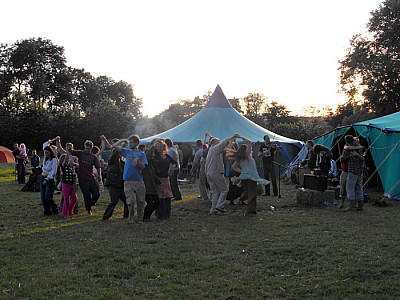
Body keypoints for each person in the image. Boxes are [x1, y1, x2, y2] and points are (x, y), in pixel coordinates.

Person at [227, 135, 269, 215]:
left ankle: (242, 200)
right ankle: (251, 210)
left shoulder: (240, 158)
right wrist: (241, 137)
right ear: (246, 150)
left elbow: (233, 167)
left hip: (245, 176)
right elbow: (249, 142)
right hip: (251, 176)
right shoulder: (247, 154)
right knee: (252, 193)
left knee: (248, 191)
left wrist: (241, 171)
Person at [112, 135, 147, 223]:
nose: (129, 144)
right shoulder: (127, 152)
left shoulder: (142, 154)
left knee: (141, 201)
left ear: (136, 143)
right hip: (128, 180)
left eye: (131, 142)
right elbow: (114, 146)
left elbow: (144, 167)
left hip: (139, 180)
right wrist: (123, 140)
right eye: (129, 142)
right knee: (131, 200)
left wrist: (138, 161)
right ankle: (131, 218)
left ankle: (139, 219)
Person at [205, 133, 240, 214]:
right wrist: (232, 137)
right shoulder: (215, 148)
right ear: (214, 143)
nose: (219, 143)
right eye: (218, 142)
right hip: (216, 172)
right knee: (224, 190)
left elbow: (226, 148)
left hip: (209, 173)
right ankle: (219, 206)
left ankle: (213, 209)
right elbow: (223, 143)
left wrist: (231, 141)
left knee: (215, 192)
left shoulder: (210, 150)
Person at [100, 137, 129, 220]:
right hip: (113, 184)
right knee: (114, 201)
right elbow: (116, 150)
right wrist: (122, 141)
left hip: (119, 183)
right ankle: (105, 217)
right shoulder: (112, 160)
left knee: (126, 200)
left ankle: (126, 216)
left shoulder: (121, 162)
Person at [72, 140, 102, 215]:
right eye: (85, 148)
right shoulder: (81, 153)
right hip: (82, 179)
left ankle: (91, 204)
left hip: (91, 178)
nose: (86, 150)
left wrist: (99, 177)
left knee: (96, 194)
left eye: (88, 149)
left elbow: (98, 167)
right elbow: (71, 151)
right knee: (86, 195)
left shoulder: (93, 157)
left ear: (91, 148)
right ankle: (88, 210)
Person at [154, 139, 178, 219]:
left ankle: (167, 214)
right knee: (160, 197)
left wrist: (172, 169)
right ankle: (160, 214)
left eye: (161, 146)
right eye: (158, 146)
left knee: (167, 196)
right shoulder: (155, 157)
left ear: (164, 147)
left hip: (166, 178)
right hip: (158, 179)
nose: (159, 148)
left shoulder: (166, 155)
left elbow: (175, 162)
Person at [341, 135, 365, 211]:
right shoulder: (358, 147)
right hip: (360, 170)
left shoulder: (348, 149)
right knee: (359, 188)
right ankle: (360, 205)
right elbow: (363, 157)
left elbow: (343, 159)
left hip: (352, 170)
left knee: (350, 188)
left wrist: (343, 157)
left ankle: (352, 205)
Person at [142, 143, 161, 221]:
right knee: (150, 203)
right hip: (146, 186)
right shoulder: (146, 162)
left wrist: (157, 180)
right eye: (152, 154)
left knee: (157, 202)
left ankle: (147, 216)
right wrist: (153, 146)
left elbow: (152, 175)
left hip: (152, 186)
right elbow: (148, 155)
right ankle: (145, 217)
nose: (153, 155)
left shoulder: (151, 165)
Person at [40, 145, 59, 215]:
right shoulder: (45, 159)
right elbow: (45, 144)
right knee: (43, 197)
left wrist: (47, 179)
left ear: (51, 152)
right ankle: (47, 211)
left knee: (47, 197)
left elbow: (53, 172)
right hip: (42, 177)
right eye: (45, 153)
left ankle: (55, 208)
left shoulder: (54, 160)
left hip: (49, 179)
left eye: (47, 152)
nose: (46, 154)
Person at [59, 153, 78, 217]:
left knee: (74, 198)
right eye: (67, 159)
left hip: (71, 184)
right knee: (66, 198)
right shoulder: (63, 166)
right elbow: (64, 162)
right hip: (66, 184)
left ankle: (70, 210)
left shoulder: (70, 167)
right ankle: (64, 213)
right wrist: (68, 153)